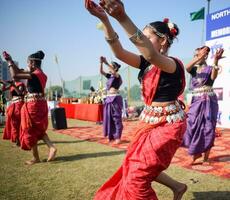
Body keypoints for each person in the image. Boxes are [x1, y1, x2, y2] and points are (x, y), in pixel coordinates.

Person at [85, 1, 187, 199]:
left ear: (163, 40)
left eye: (148, 36)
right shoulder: (146, 65)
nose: (145, 41)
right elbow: (119, 52)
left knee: (137, 176)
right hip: (149, 122)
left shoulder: (171, 64)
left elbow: (150, 52)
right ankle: (177, 186)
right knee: (136, 163)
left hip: (168, 126)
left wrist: (122, 17)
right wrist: (105, 20)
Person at [3, 50, 57, 165]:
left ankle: (36, 158)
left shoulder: (33, 75)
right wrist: (11, 61)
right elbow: (18, 73)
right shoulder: (42, 75)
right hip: (41, 104)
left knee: (29, 129)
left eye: (28, 63)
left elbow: (15, 75)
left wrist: (9, 61)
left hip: (33, 105)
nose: (27, 66)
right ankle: (51, 147)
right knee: (39, 130)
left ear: (32, 63)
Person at [182, 46, 224, 164]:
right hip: (196, 101)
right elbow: (187, 67)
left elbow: (213, 77)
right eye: (195, 55)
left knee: (208, 127)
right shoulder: (194, 70)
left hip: (208, 101)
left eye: (199, 55)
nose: (197, 57)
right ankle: (195, 153)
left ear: (205, 56)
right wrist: (197, 57)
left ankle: (205, 157)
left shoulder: (210, 68)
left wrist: (215, 60)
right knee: (192, 125)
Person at [100, 56, 123, 144]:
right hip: (108, 99)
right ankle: (111, 136)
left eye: (111, 66)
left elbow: (113, 72)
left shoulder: (117, 76)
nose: (109, 67)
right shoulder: (109, 76)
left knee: (117, 118)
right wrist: (101, 63)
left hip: (115, 98)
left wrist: (106, 62)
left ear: (116, 68)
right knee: (109, 118)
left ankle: (118, 137)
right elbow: (101, 72)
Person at [2, 79, 26, 146]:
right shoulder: (12, 85)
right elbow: (3, 90)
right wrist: (3, 83)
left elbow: (20, 93)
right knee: (14, 123)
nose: (12, 78)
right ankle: (17, 139)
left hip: (19, 104)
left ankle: (21, 139)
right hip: (13, 105)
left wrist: (13, 85)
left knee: (20, 123)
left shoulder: (20, 84)